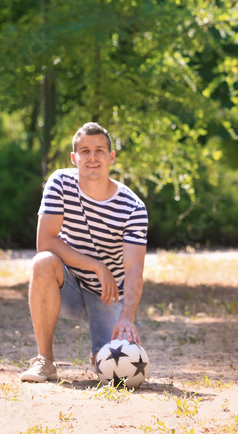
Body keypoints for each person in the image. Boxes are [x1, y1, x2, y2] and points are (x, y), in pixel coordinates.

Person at [20, 122, 149, 383]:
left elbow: (134, 269)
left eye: (100, 150)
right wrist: (97, 266)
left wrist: (127, 317)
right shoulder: (60, 182)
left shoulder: (133, 207)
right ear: (74, 157)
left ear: (111, 157)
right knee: (43, 262)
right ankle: (45, 360)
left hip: (108, 295)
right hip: (68, 285)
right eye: (85, 151)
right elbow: (45, 241)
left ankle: (99, 351)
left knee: (111, 370)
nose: (92, 157)